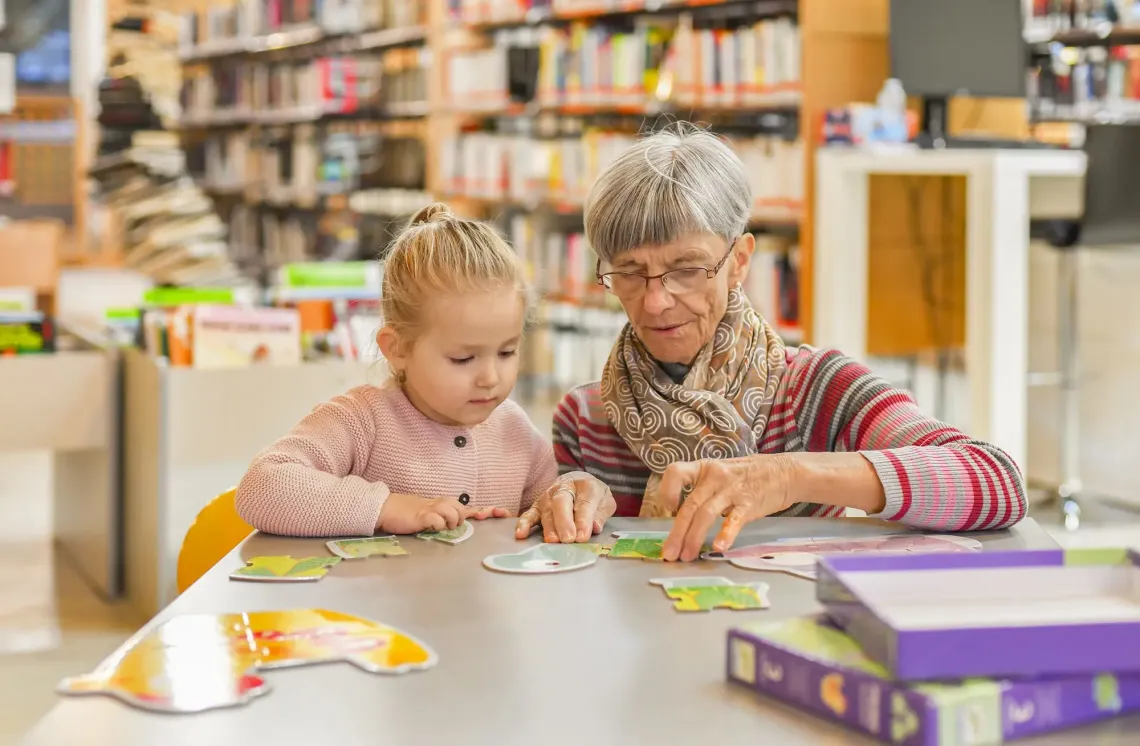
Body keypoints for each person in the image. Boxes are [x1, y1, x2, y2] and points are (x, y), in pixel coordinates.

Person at [515, 124, 1027, 561]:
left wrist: (787, 476)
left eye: (687, 269)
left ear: (739, 260)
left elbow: (996, 480)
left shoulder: (818, 389)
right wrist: (568, 502)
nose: (654, 302)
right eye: (629, 273)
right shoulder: (585, 417)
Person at [236, 204, 557, 537]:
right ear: (398, 349)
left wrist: (569, 495)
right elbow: (261, 487)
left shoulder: (515, 429)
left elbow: (555, 496)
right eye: (463, 359)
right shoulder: (362, 420)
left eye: (507, 352)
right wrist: (385, 508)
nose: (491, 377)